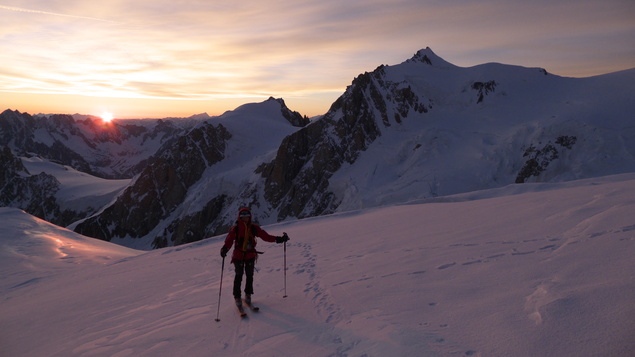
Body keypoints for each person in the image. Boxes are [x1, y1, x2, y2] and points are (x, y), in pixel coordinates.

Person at [220, 207, 289, 307]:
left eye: (247, 216)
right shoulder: (236, 229)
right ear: (240, 217)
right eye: (243, 217)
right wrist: (225, 249)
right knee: (239, 276)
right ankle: (237, 296)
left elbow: (266, 236)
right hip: (241, 255)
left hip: (248, 255)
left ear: (249, 217)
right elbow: (229, 240)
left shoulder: (252, 228)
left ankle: (247, 294)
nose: (245, 218)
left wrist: (278, 239)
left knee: (249, 276)